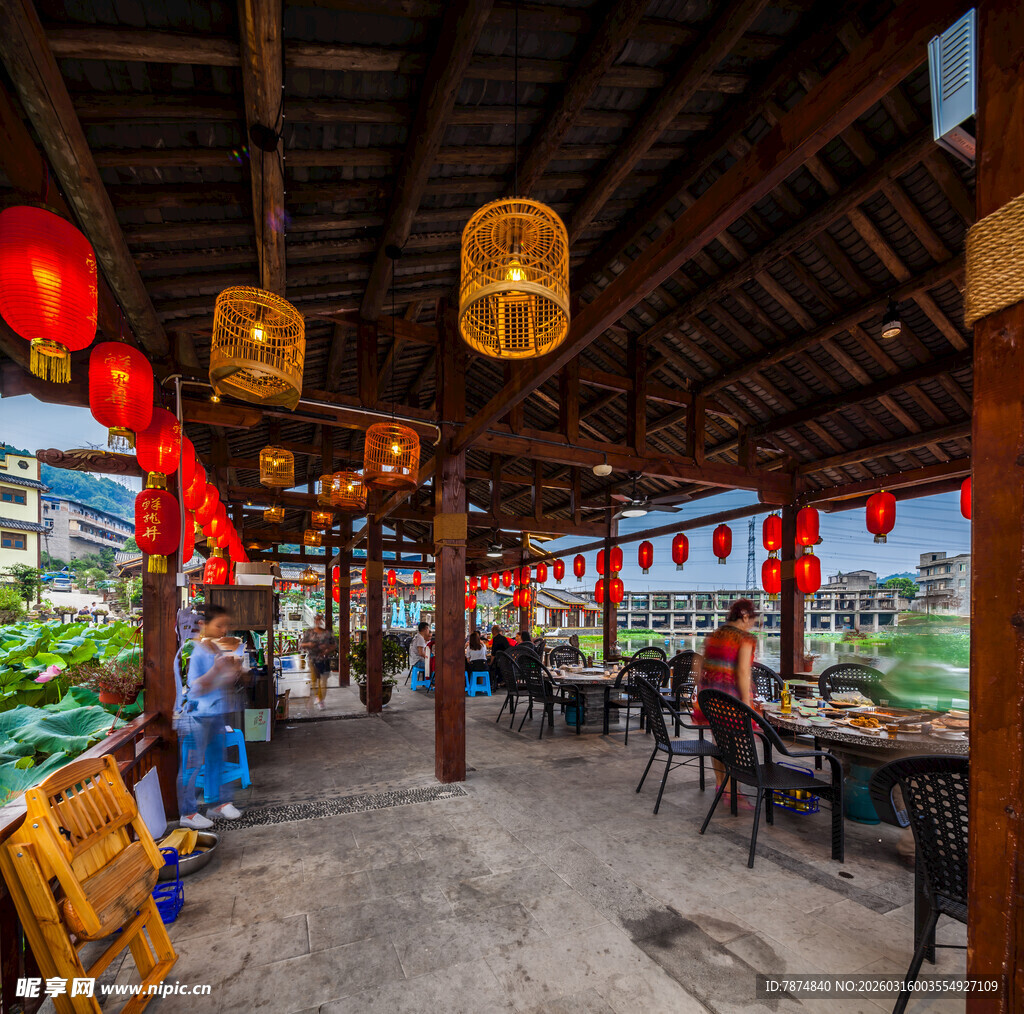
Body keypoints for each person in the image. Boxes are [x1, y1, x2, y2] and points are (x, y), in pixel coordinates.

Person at [178, 605, 245, 829]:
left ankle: (218, 803)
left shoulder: (218, 650)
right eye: (219, 625)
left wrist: (236, 670)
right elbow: (195, 688)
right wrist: (216, 670)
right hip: (199, 715)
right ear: (203, 626)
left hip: (217, 713)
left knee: (217, 759)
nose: (224, 630)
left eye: (226, 625)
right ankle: (187, 813)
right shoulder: (198, 651)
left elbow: (222, 683)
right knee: (194, 765)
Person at [694, 598, 759, 803]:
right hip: (732, 701)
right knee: (738, 746)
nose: (752, 624)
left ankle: (721, 785)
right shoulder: (745, 639)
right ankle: (732, 793)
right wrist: (747, 703)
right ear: (745, 616)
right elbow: (742, 672)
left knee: (719, 742)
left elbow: (699, 664)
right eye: (752, 619)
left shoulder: (714, 636)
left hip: (711, 701)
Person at [300, 613, 337, 711]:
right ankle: (318, 696)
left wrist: (327, 649)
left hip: (324, 660)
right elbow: (302, 644)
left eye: (320, 619)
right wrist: (309, 644)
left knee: (323, 681)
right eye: (317, 619)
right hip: (313, 659)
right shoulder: (309, 632)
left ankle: (321, 700)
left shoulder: (327, 633)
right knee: (314, 681)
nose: (318, 621)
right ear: (314, 620)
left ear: (323, 621)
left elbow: (334, 645)